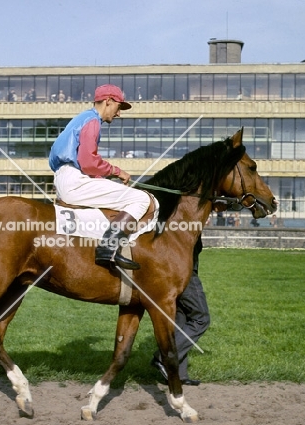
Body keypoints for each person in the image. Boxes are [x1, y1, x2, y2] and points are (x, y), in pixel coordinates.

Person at [49, 84, 151, 270]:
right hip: (74, 180)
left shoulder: (81, 118)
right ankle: (108, 248)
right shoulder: (92, 121)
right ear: (109, 101)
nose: (119, 114)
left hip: (66, 177)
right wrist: (117, 171)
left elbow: (86, 165)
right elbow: (89, 162)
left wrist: (102, 177)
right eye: (119, 107)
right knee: (141, 198)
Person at [151, 236, 210, 386]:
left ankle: (178, 375)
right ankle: (163, 358)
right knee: (201, 319)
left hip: (173, 273)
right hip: (185, 274)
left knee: (181, 319)